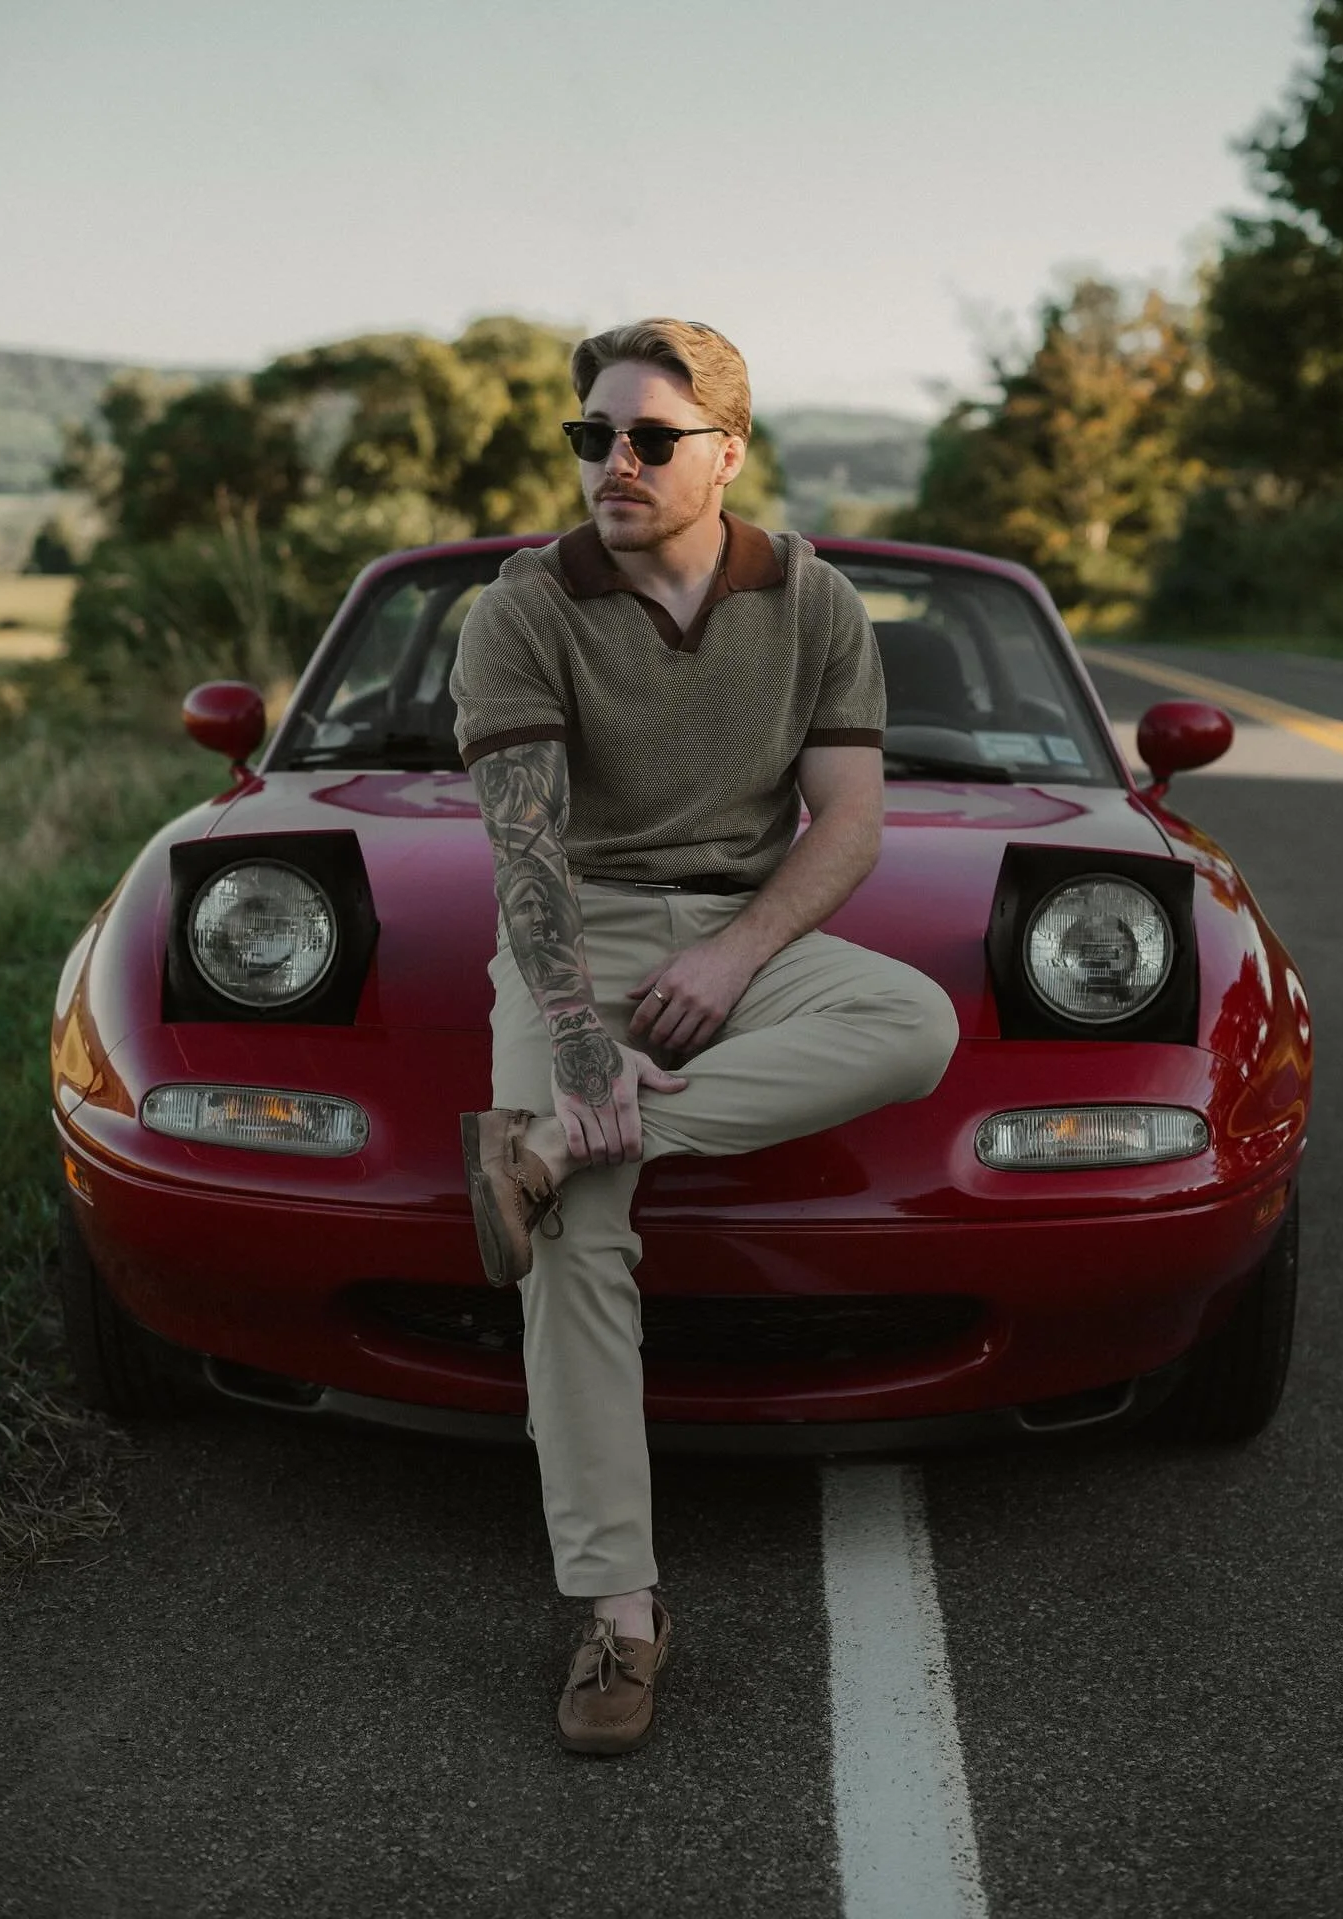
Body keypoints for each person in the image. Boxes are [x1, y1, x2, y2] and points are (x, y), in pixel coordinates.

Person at [451, 318, 958, 1757]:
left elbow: (849, 823)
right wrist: (578, 1039)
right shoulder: (524, 605)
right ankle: (621, 1612)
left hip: (744, 928)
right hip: (579, 935)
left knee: (912, 1016)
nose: (612, 462)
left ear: (726, 454)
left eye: (649, 438)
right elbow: (525, 857)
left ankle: (538, 1150)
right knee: (575, 1238)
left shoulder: (815, 605)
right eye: (592, 436)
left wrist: (738, 956)